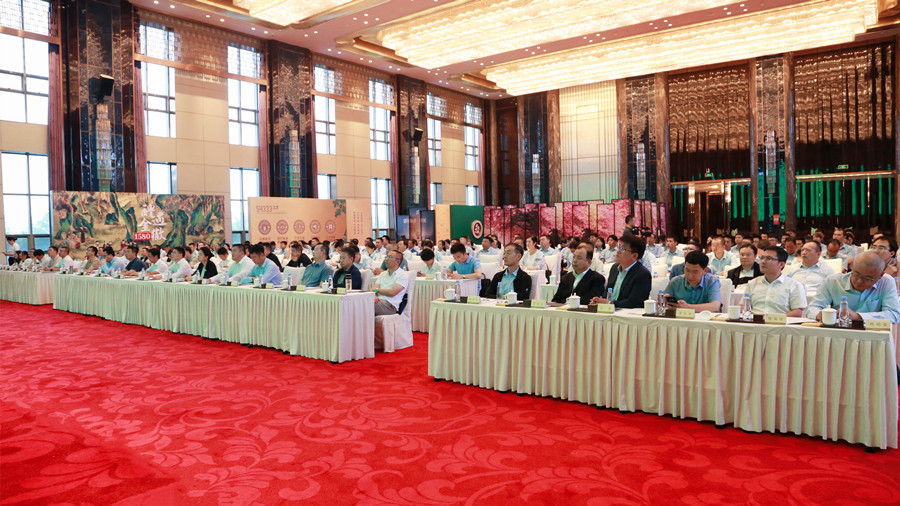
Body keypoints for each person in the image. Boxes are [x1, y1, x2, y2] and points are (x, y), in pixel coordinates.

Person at [805, 251, 900, 323]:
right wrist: (819, 315)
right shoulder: (833, 281)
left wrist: (858, 317)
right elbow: (812, 308)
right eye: (856, 274)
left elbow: (894, 315)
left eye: (867, 278)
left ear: (880, 276)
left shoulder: (886, 282)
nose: (859, 281)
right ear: (852, 267)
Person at [589, 235, 651, 309]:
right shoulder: (615, 268)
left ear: (634, 255)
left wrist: (609, 303)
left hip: (628, 313)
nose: (618, 251)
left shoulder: (643, 274)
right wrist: (599, 300)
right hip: (610, 311)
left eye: (622, 249)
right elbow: (608, 292)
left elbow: (634, 302)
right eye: (619, 247)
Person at [745, 246, 807, 316]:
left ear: (781, 264)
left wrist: (774, 319)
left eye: (768, 258)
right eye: (762, 258)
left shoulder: (794, 285)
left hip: (781, 322)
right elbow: (744, 307)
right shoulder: (752, 283)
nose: (763, 261)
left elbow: (798, 312)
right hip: (755, 321)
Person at [373, 250, 409, 315]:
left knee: (365, 305)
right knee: (360, 302)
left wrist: (377, 290)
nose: (386, 259)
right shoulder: (383, 274)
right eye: (386, 256)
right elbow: (374, 290)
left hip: (390, 305)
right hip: (378, 301)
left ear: (397, 261)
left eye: (390, 257)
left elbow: (392, 293)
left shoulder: (402, 275)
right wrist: (375, 295)